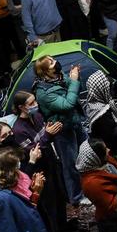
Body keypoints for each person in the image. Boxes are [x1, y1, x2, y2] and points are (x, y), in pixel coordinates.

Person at [6, 91, 70, 232]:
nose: (36, 105)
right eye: (31, 103)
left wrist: (52, 131)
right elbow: (33, 152)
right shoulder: (19, 130)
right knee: (50, 205)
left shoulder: (37, 116)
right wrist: (47, 135)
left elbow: (45, 138)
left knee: (60, 197)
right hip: (39, 171)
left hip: (51, 163)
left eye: (35, 101)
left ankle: (65, 229)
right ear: (21, 107)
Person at [32, 56, 88, 205]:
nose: (55, 62)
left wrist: (76, 79)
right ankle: (76, 197)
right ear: (44, 72)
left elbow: (76, 91)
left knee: (86, 153)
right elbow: (67, 104)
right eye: (50, 63)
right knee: (71, 164)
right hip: (62, 129)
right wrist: (74, 80)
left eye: (53, 59)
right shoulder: (43, 92)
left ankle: (88, 186)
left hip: (75, 122)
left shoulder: (59, 76)